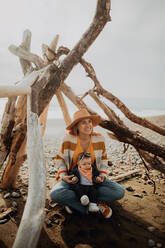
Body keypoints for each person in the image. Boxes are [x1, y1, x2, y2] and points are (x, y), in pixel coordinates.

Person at [50, 108, 125, 218]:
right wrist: (64, 176)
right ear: (77, 126)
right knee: (55, 194)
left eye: (89, 121)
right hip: (73, 178)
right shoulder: (68, 139)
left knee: (119, 192)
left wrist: (102, 176)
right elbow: (60, 159)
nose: (88, 125)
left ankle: (75, 202)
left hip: (93, 178)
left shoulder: (99, 138)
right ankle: (91, 206)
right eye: (83, 122)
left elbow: (103, 159)